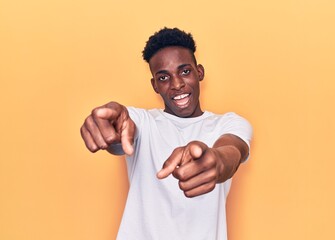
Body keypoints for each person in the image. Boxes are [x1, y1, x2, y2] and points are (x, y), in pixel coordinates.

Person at [80, 27, 253, 240]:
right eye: (163, 78)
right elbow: (122, 132)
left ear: (199, 72)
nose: (177, 84)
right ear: (154, 86)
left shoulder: (229, 123)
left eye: (185, 71)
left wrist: (217, 160)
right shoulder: (142, 122)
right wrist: (111, 125)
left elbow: (232, 151)